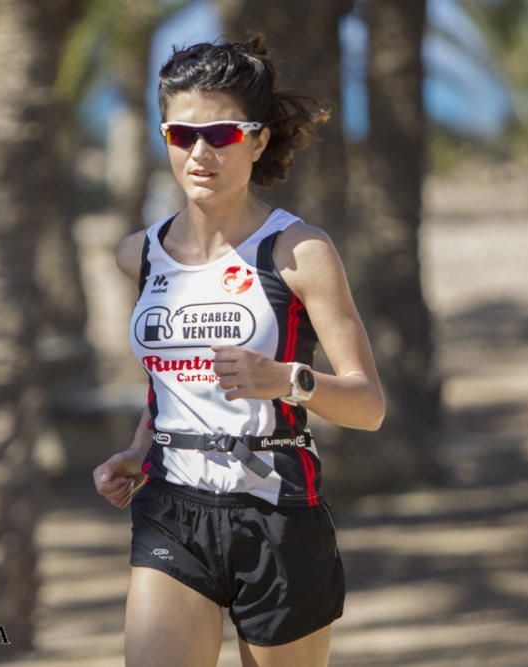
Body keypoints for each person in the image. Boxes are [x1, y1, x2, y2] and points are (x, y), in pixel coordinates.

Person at [93, 34, 386, 667]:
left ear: (256, 140)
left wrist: (286, 380)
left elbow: (368, 405)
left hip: (278, 515)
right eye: (180, 135)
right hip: (171, 507)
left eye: (221, 135)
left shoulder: (299, 251)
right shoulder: (138, 255)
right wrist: (139, 451)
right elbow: (171, 382)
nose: (200, 153)